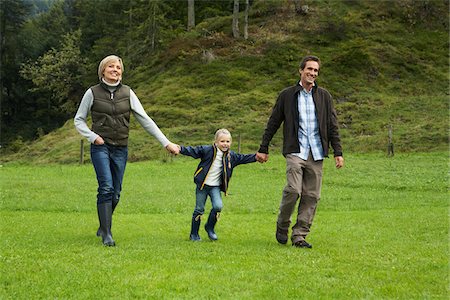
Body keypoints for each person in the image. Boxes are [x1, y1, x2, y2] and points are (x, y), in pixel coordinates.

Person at [74, 55, 179, 246]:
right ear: (103, 71)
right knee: (106, 187)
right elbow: (78, 119)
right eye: (111, 67)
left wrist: (166, 143)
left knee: (116, 193)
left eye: (119, 67)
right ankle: (107, 234)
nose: (116, 70)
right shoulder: (92, 93)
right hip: (100, 146)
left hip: (121, 148)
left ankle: (103, 224)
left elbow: (145, 119)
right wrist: (92, 137)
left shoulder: (128, 93)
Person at [256, 55, 344, 249]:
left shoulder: (324, 97)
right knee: (294, 190)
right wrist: (264, 147)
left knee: (312, 195)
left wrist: (338, 151)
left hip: (317, 152)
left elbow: (332, 125)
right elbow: (273, 122)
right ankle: (283, 224)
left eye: (316, 71)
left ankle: (299, 235)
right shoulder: (287, 95)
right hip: (296, 150)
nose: (312, 73)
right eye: (309, 69)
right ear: (301, 71)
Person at [178, 129, 257, 241]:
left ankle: (209, 227)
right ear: (216, 142)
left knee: (218, 206)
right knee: (199, 209)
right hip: (202, 186)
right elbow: (193, 151)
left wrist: (257, 157)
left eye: (227, 141)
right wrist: (179, 149)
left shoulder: (231, 157)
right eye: (222, 141)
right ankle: (194, 234)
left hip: (215, 187)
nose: (225, 144)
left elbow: (244, 158)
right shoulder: (207, 150)